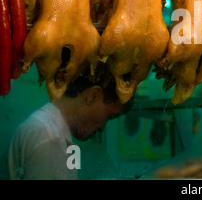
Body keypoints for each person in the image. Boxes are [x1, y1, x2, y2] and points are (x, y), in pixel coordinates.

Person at [0, 69, 132, 180]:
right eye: (109, 116)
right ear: (93, 96)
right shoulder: (48, 137)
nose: (103, 127)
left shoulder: (52, 132)